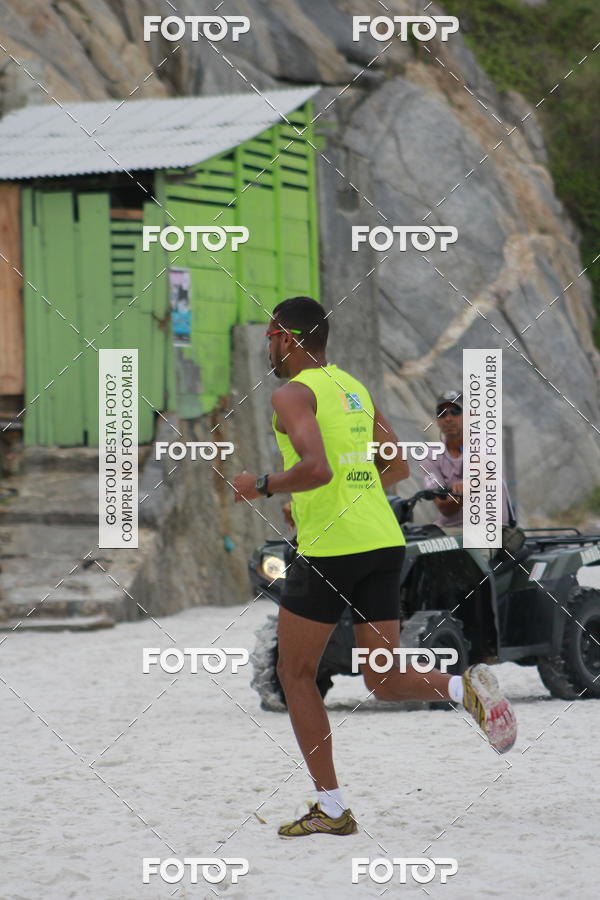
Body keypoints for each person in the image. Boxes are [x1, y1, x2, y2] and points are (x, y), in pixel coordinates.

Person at [232, 297, 517, 838]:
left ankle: (332, 809)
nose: (267, 347)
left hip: (332, 549)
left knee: (293, 674)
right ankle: (466, 691)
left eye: (270, 336)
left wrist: (263, 486)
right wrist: (339, 495)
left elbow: (314, 467)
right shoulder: (352, 387)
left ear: (287, 337)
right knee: (382, 678)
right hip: (382, 541)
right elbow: (395, 465)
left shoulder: (292, 392)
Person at [423, 390, 515, 533]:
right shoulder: (430, 455)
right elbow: (444, 508)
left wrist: (470, 485)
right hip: (448, 530)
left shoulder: (485, 441)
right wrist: (466, 491)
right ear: (437, 420)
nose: (448, 418)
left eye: (455, 411)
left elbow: (485, 474)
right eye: (442, 413)